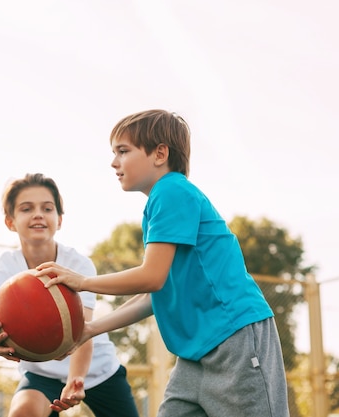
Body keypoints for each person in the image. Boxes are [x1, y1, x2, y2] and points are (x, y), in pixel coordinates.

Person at [34, 110, 290, 417]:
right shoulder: (160, 204)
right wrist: (89, 329)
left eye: (123, 151)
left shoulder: (172, 190)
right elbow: (153, 294)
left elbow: (150, 278)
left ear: (160, 154)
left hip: (234, 339)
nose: (114, 162)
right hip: (195, 354)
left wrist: (83, 281)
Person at [0, 173, 139, 417]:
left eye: (47, 208)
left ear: (60, 219)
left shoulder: (77, 264)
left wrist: (76, 379)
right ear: (10, 221)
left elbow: (81, 331)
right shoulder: (5, 269)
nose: (38, 214)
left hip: (97, 369)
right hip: (42, 372)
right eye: (26, 208)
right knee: (22, 412)